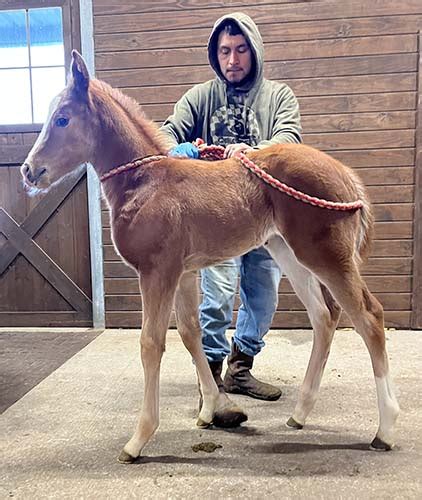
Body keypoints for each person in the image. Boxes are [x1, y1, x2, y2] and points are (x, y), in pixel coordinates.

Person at [160, 12, 302, 427]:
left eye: (241, 49)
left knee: (263, 295)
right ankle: (213, 380)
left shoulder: (279, 96)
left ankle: (241, 368)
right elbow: (167, 133)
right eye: (224, 51)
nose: (233, 59)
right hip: (214, 218)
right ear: (215, 54)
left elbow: (289, 139)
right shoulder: (200, 97)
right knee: (217, 296)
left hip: (266, 215)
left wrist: (253, 153)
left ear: (254, 51)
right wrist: (181, 149)